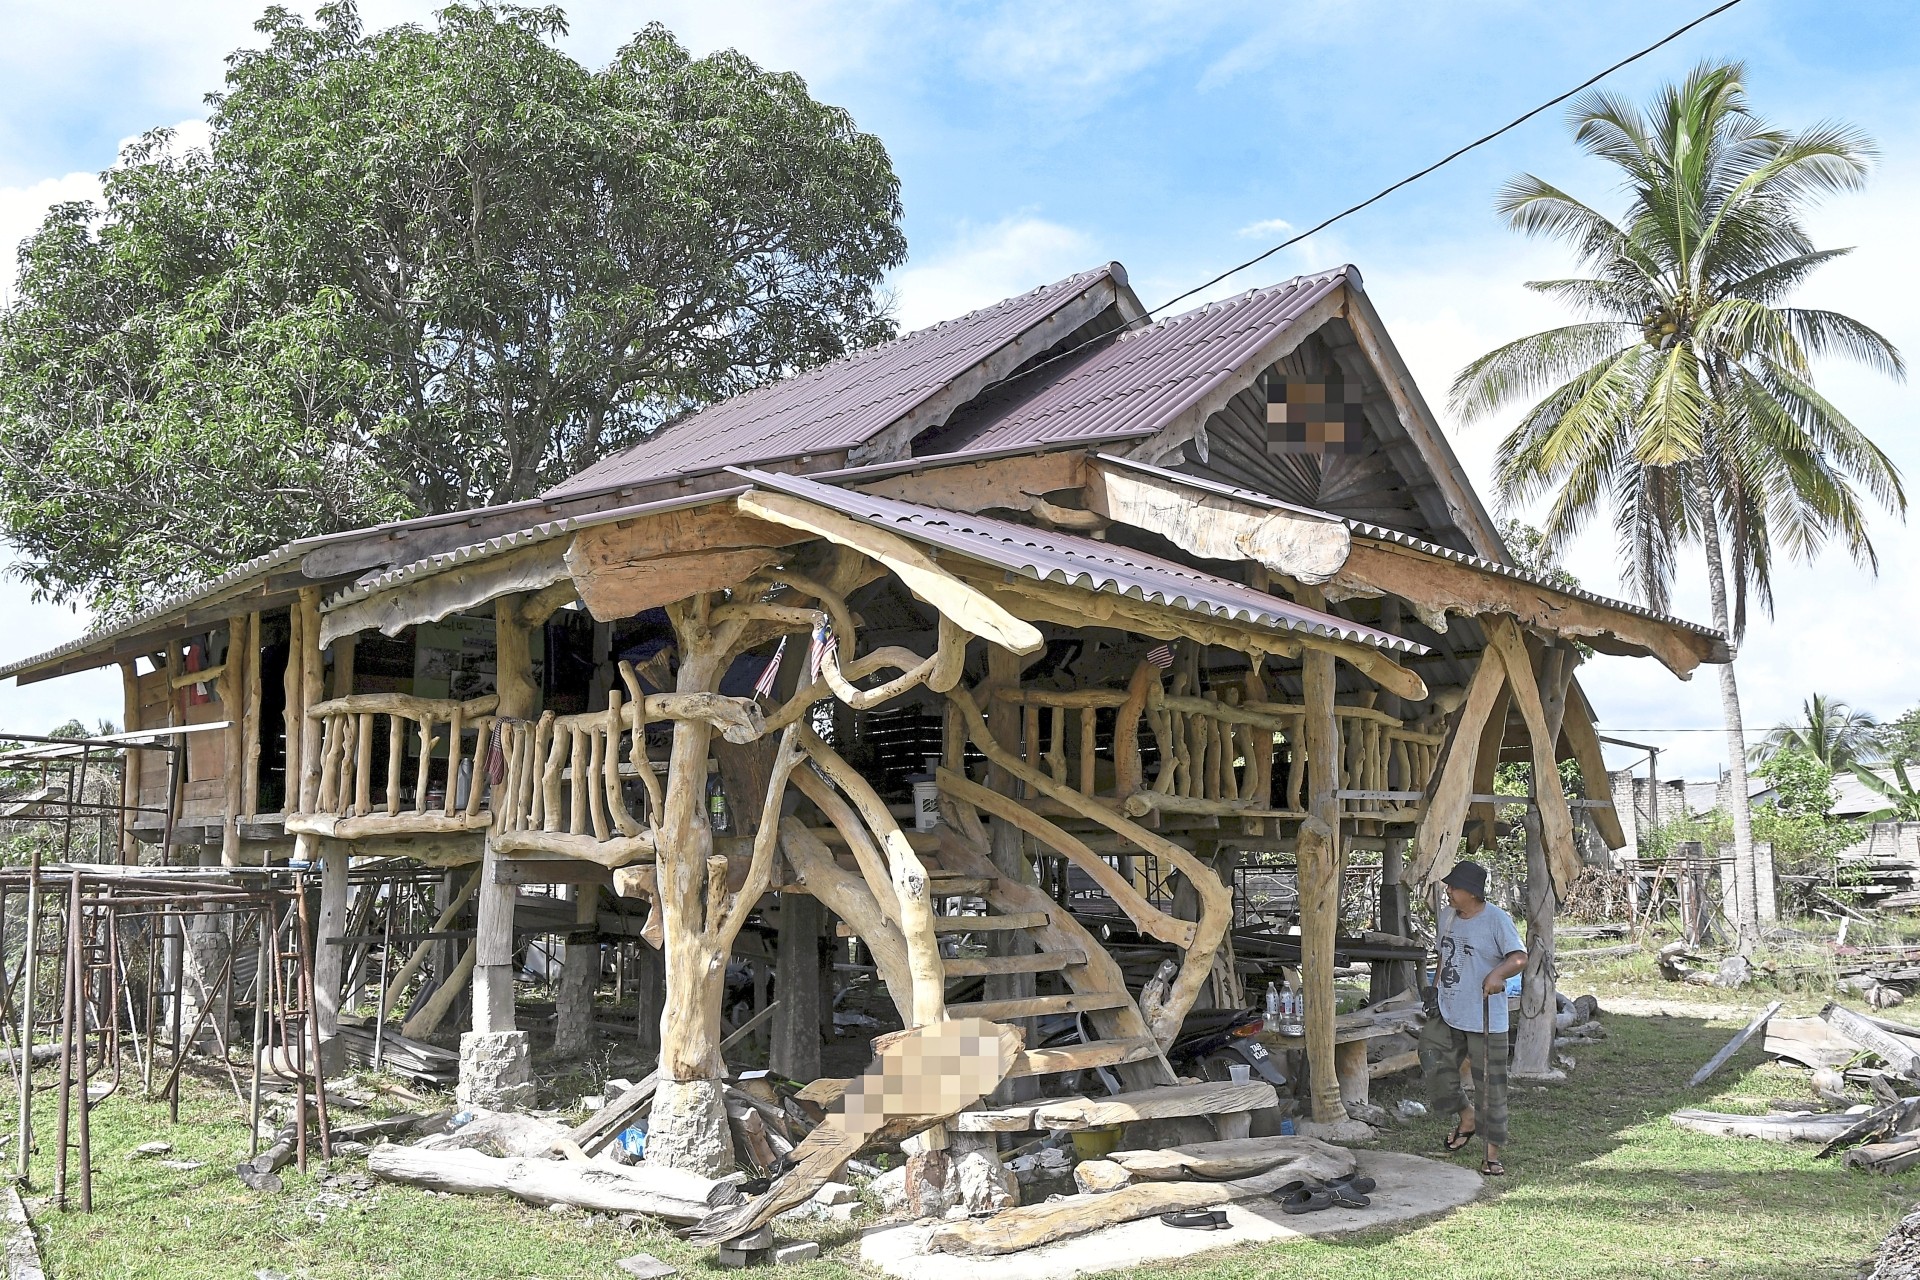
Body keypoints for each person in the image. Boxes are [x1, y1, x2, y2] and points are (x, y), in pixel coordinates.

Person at [1419, 859, 1527, 1176]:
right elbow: (1443, 954)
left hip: (1485, 1017)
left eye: (1454, 887)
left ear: (1472, 893)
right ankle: (1466, 1114)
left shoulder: (1496, 920)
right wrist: (1434, 989)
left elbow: (1519, 957)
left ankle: (1490, 1155)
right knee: (1430, 1056)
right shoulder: (1447, 917)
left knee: (1490, 1087)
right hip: (1449, 1010)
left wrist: (1497, 974)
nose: (1448, 891)